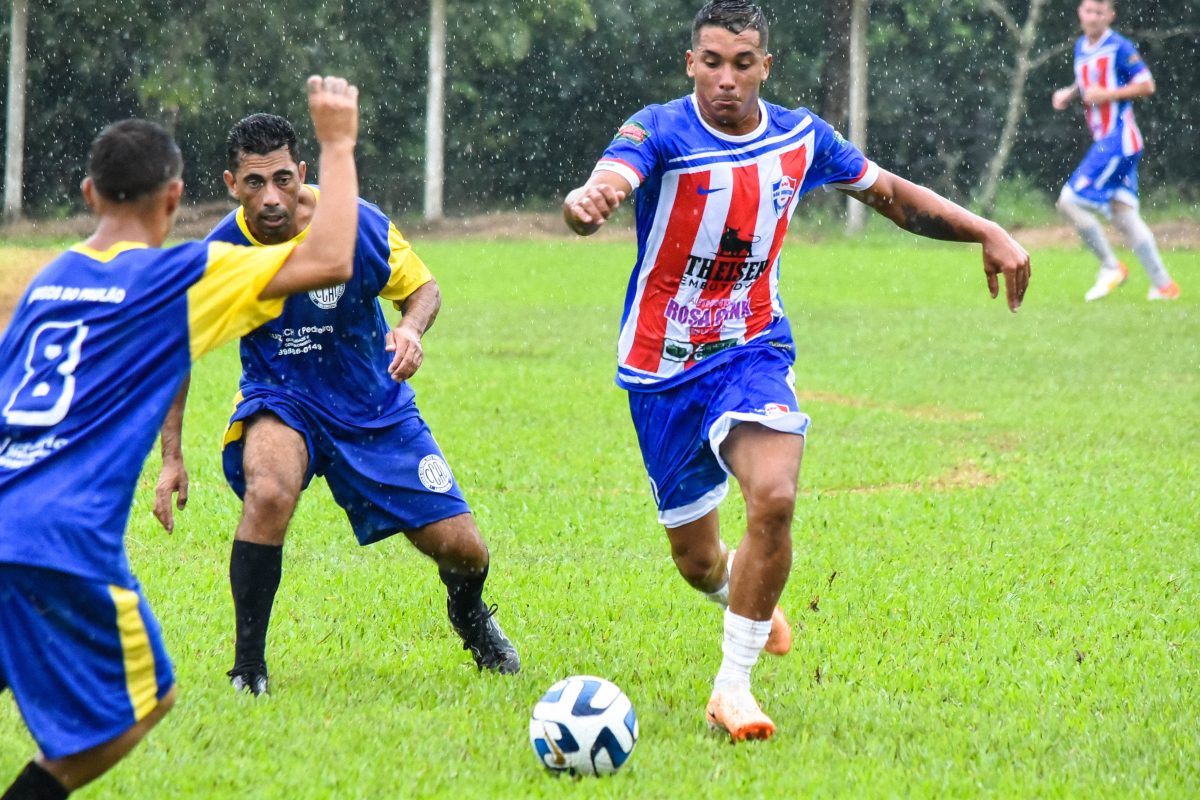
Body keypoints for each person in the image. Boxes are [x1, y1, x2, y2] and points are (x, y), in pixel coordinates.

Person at [562, 0, 1030, 742]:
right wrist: (592, 201)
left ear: (764, 67)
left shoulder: (801, 138)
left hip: (752, 348)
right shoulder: (657, 126)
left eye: (742, 64)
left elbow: (893, 197)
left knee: (773, 497)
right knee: (695, 560)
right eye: (711, 62)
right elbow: (613, 177)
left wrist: (987, 228)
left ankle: (732, 687)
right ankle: (740, 593)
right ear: (691, 63)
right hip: (662, 368)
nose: (725, 79)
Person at [0, 76, 360, 799]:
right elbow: (330, 261)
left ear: (89, 193)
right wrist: (337, 143)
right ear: (174, 198)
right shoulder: (180, 276)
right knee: (147, 700)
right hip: (57, 540)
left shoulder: (50, 280)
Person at [153, 113, 519, 697]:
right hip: (283, 396)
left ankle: (470, 617)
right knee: (269, 488)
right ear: (230, 183)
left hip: (375, 406)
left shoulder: (357, 223)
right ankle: (249, 667)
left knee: (466, 552)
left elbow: (423, 289)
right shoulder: (220, 252)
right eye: (253, 183)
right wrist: (171, 457)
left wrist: (412, 331)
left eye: (281, 179)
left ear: (302, 172)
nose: (270, 198)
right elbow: (174, 350)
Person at [1051, 0, 1180, 301]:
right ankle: (1164, 286)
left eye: (1100, 12)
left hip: (1118, 140)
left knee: (1069, 202)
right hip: (1112, 143)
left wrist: (1108, 95)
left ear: (1110, 15)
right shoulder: (1082, 46)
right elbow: (1086, 83)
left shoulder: (1119, 47)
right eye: (1088, 11)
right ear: (1080, 13)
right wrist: (1068, 94)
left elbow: (1147, 85)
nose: (1093, 17)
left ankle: (1111, 266)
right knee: (1124, 216)